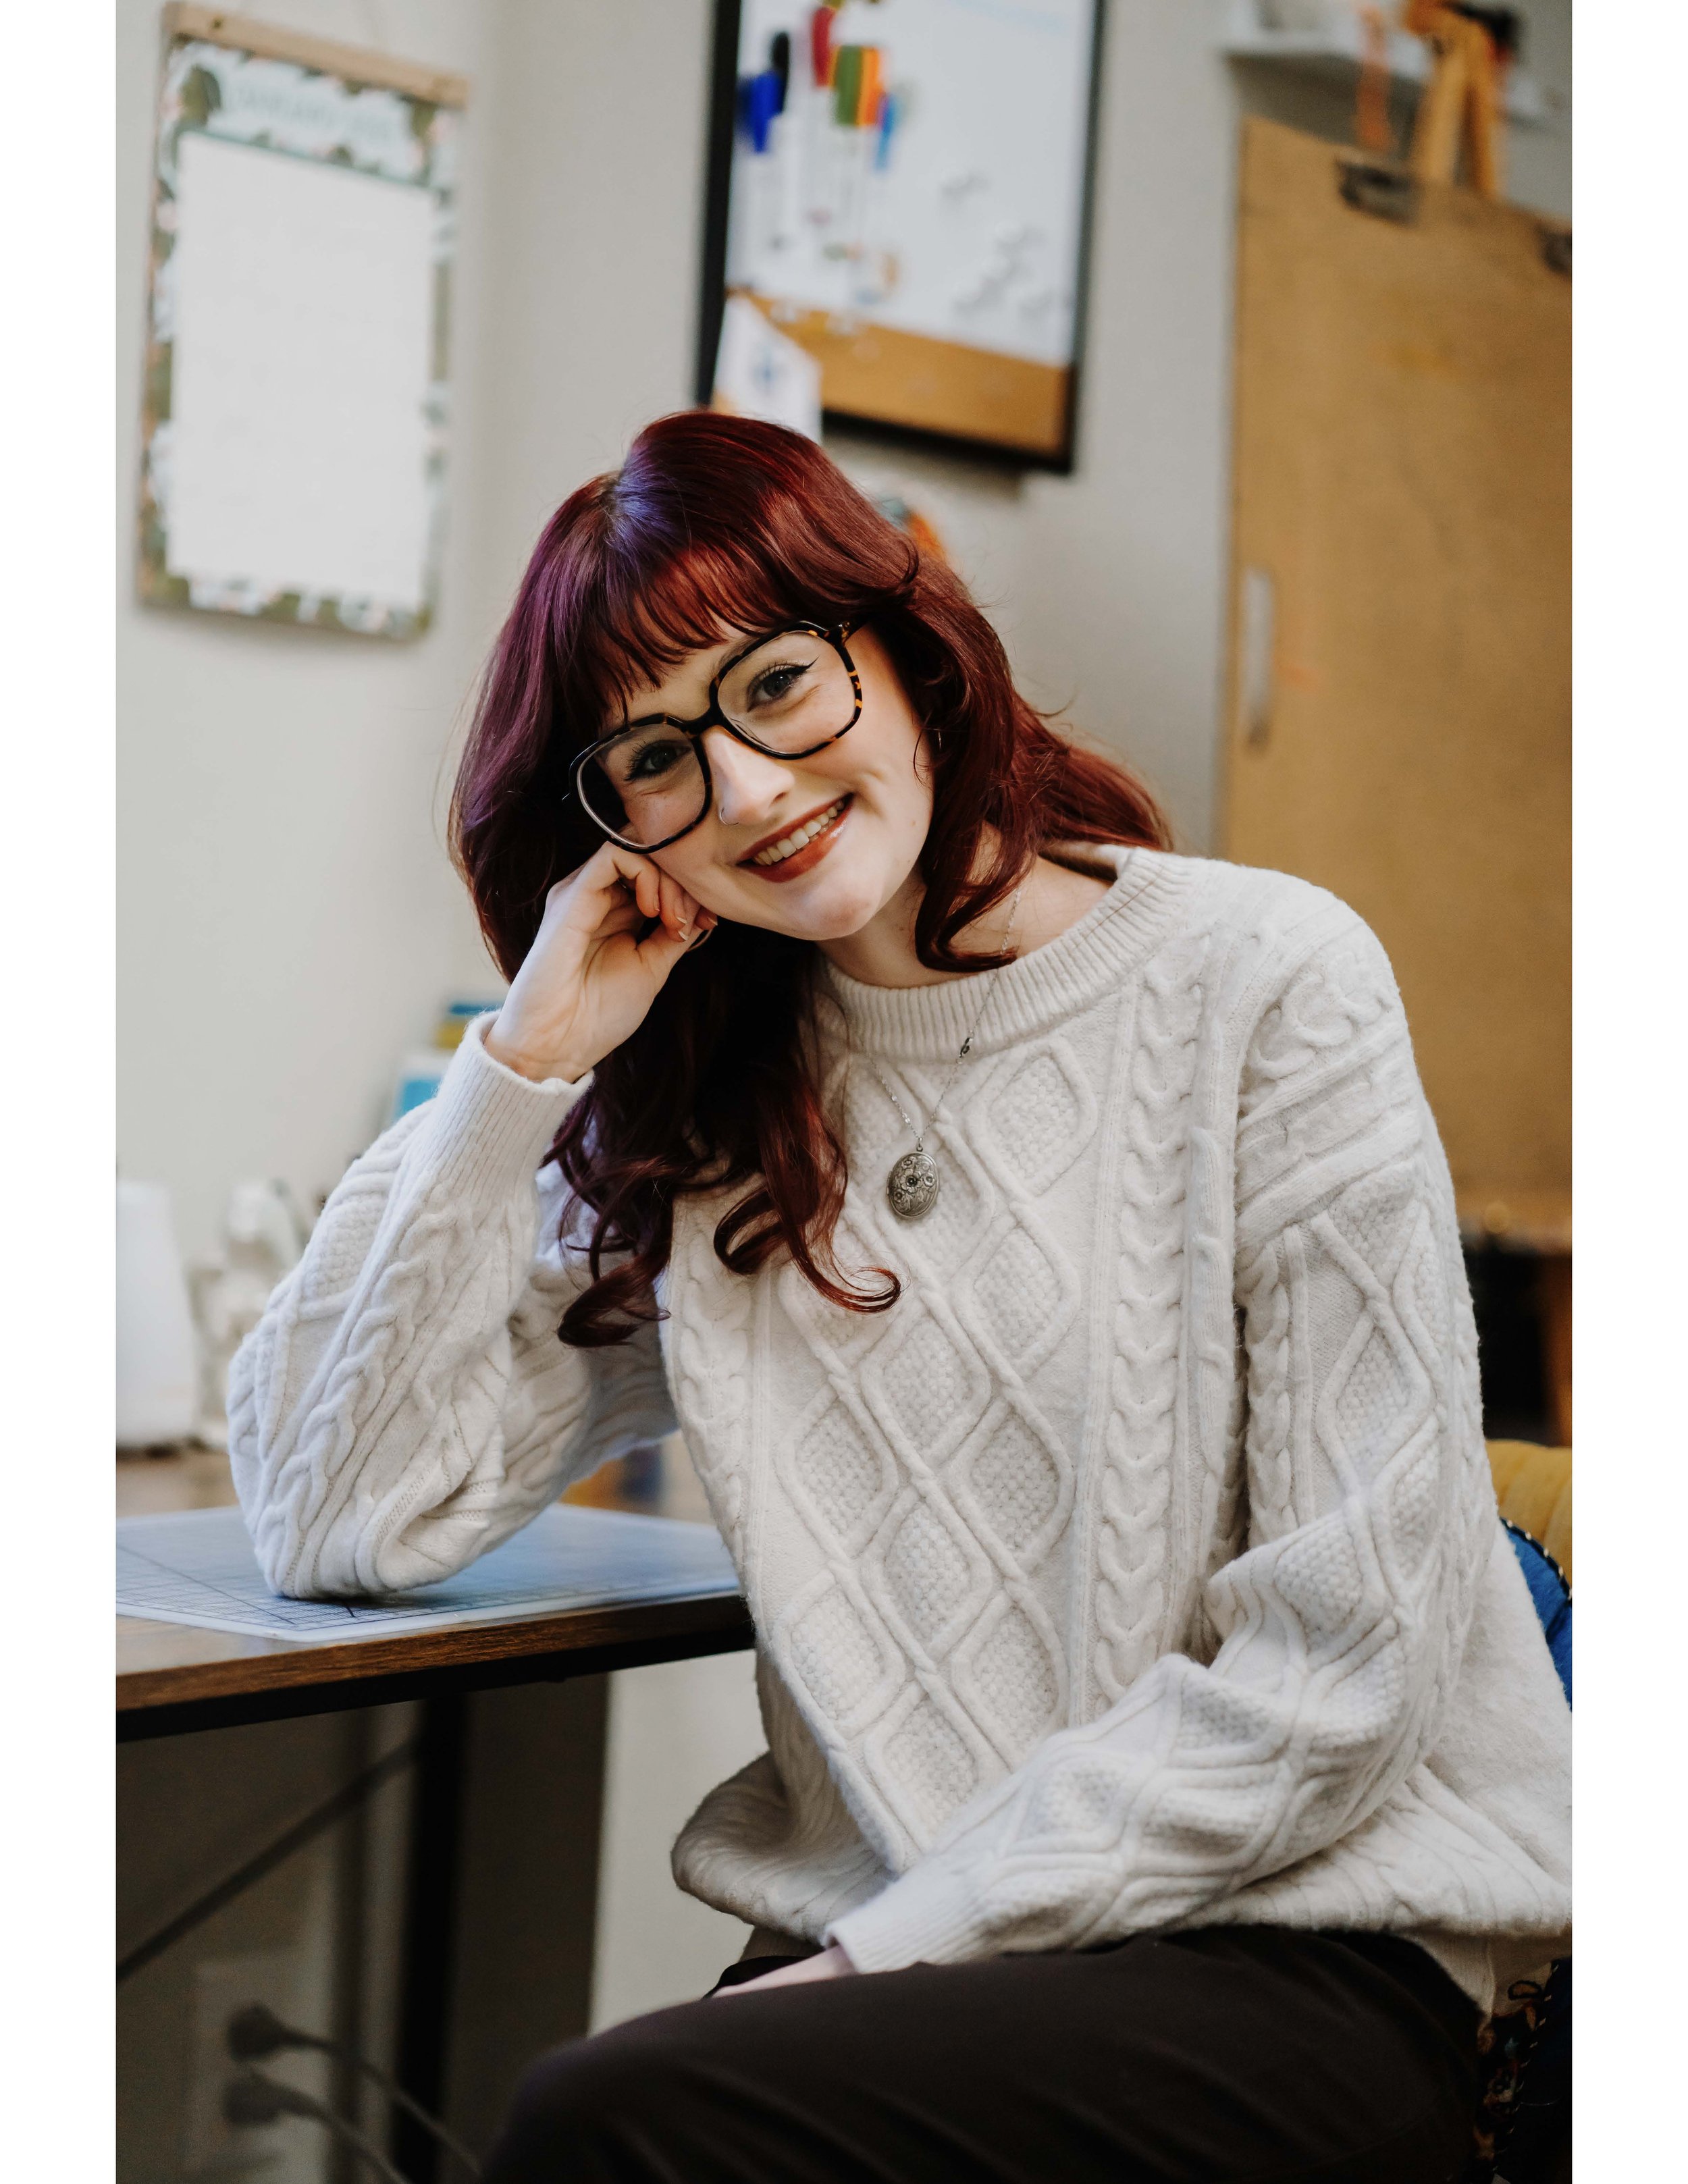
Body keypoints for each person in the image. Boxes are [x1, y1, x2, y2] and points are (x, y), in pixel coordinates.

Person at [230, 412, 1571, 2183]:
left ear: (904, 645)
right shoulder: (710, 1100)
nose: (748, 792)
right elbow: (332, 1512)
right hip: (910, 1956)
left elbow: (1342, 1672)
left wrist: (883, 1951)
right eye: (657, 756)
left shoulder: (1264, 980)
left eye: (777, 683)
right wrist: (522, 1064)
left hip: (1289, 1933)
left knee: (597, 2118)